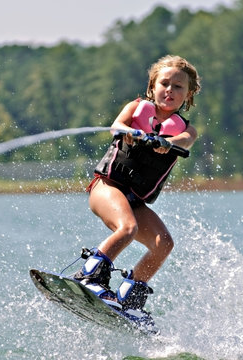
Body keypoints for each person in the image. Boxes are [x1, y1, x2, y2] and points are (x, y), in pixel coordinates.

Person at [73, 55, 201, 312]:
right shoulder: (136, 108)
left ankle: (128, 297)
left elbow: (184, 140)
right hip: (106, 187)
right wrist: (130, 132)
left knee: (163, 243)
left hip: (136, 201)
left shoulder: (185, 130)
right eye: (164, 83)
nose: (170, 90)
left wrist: (168, 143)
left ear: (188, 95)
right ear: (152, 87)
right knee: (127, 228)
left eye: (178, 87)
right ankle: (88, 276)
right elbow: (116, 126)